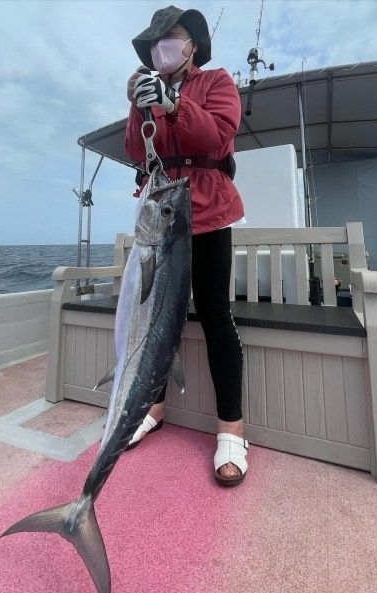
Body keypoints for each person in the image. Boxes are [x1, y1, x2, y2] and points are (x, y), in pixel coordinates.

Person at [123, 5, 248, 487]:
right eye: (155, 44)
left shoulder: (217, 82)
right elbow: (137, 150)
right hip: (161, 215)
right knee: (159, 317)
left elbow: (218, 139)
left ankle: (231, 430)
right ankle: (153, 406)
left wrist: (176, 106)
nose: (162, 49)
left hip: (208, 211)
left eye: (171, 39)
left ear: (192, 43)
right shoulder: (147, 90)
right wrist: (139, 106)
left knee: (215, 313)